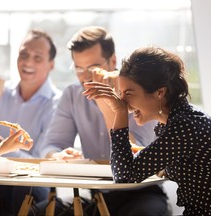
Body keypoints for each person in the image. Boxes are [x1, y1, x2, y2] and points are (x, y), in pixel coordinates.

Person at [82, 46, 211, 215]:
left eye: (129, 93)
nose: (123, 102)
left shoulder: (184, 125)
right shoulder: (181, 121)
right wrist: (144, 154)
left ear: (160, 93)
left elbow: (124, 176)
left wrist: (118, 112)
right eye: (120, 93)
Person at [36, 26, 169, 216]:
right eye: (78, 68)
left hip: (141, 192)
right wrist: (57, 155)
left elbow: (138, 156)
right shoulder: (73, 94)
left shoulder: (138, 91)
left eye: (93, 68)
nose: (85, 77)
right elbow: (51, 144)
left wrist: (107, 107)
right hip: (97, 194)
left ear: (113, 61)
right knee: (42, 211)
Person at [0, 29, 62, 215]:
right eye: (23, 55)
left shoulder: (56, 103)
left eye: (37, 57)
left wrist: (6, 148)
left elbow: (42, 161)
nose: (27, 62)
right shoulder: (1, 92)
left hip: (31, 182)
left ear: (51, 65)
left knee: (23, 188)